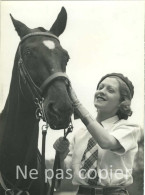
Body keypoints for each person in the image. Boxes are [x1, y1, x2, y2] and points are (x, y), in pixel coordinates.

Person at [53, 73, 140, 195]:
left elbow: (107, 142)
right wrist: (60, 156)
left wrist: (78, 106)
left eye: (110, 90)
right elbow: (63, 172)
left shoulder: (129, 128)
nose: (102, 91)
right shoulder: (80, 134)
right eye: (100, 87)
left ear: (122, 102)